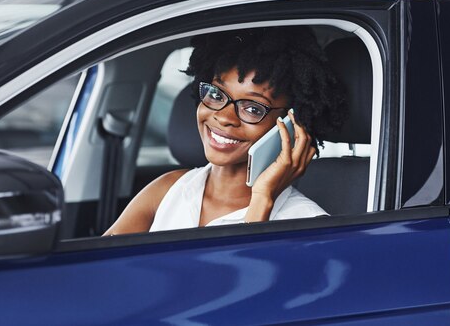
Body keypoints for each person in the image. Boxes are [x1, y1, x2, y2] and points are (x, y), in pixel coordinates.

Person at [104, 26, 347, 235]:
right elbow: (97, 274)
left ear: (292, 124)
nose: (223, 116)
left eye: (252, 109)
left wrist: (262, 199)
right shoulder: (168, 189)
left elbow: (236, 287)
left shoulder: (308, 222)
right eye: (216, 94)